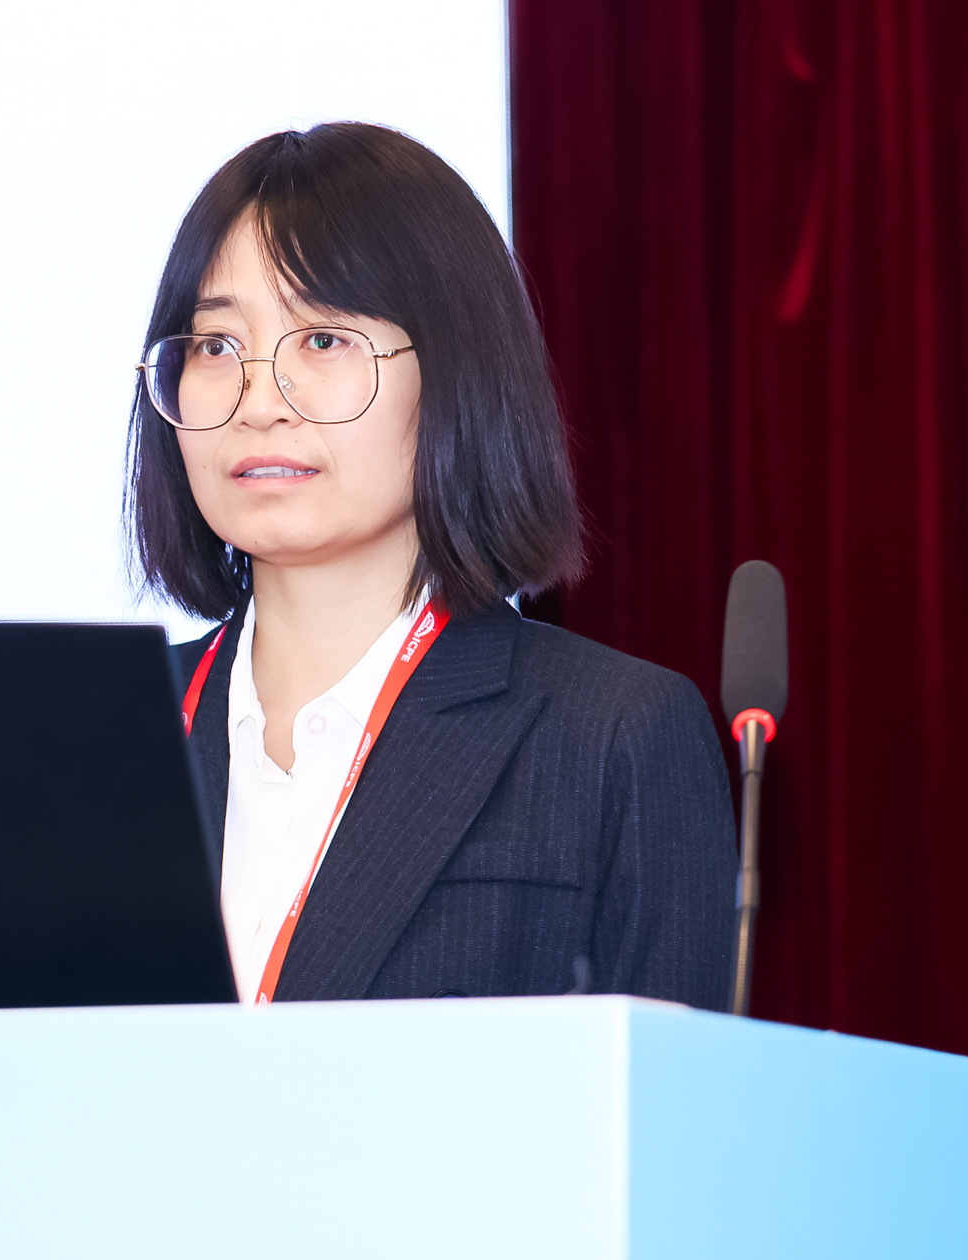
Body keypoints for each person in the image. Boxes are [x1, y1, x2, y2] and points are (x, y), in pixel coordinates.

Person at [130, 123, 734, 1007]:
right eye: (216, 346)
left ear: (456, 371)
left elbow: (665, 1094)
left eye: (323, 340)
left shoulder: (613, 738)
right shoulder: (110, 744)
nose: (258, 401)